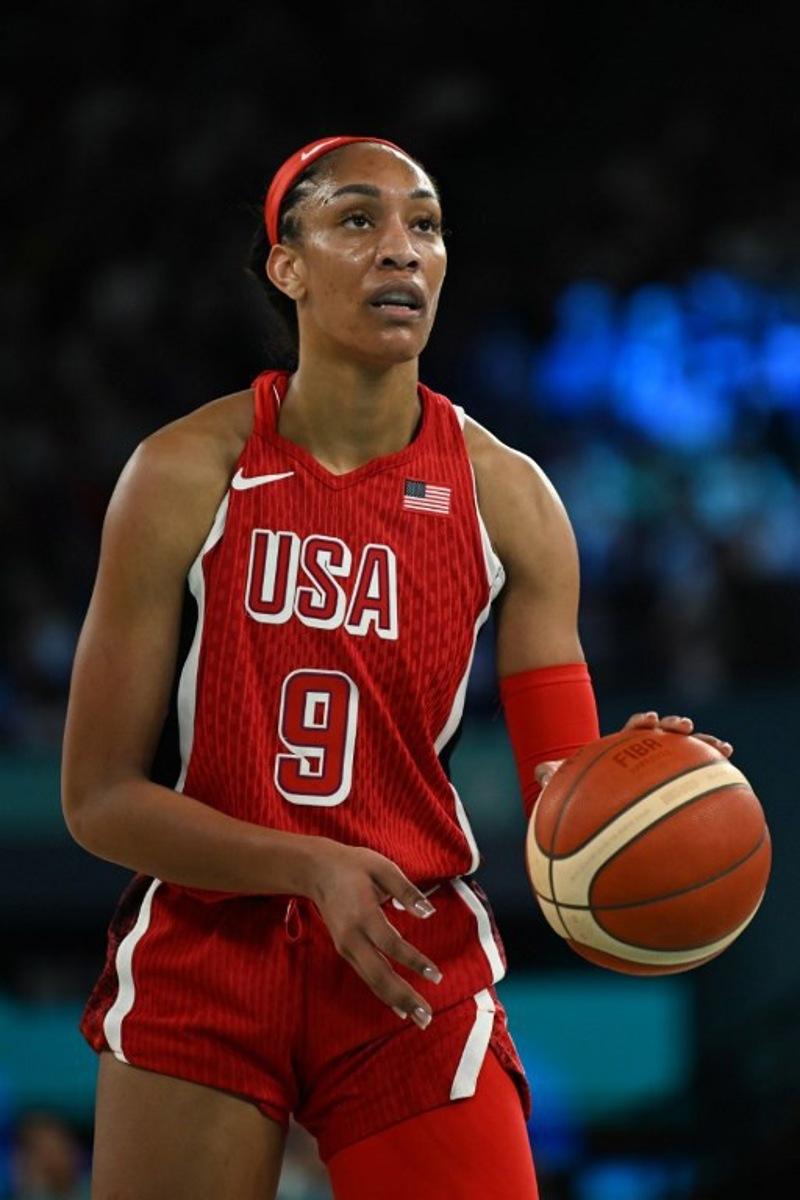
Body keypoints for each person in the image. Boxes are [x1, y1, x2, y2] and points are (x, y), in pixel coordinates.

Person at [61, 135, 733, 1200]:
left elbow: (560, 790)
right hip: (206, 943)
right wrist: (307, 864)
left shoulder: (509, 497)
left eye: (423, 225)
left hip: (407, 957)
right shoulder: (183, 472)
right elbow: (97, 802)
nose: (400, 252)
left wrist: (632, 790)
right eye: (357, 221)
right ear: (286, 265)